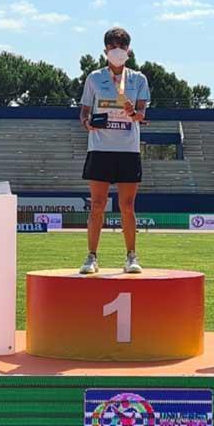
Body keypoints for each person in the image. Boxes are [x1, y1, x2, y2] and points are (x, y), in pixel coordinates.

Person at [77, 27, 150, 274]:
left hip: (128, 150)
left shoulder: (139, 79)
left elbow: (142, 115)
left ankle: (131, 256)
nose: (117, 51)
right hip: (100, 148)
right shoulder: (94, 78)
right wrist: (88, 124)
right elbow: (84, 114)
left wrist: (133, 113)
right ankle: (91, 257)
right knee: (97, 205)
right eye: (113, 47)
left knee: (127, 206)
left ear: (128, 50)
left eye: (121, 47)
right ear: (106, 50)